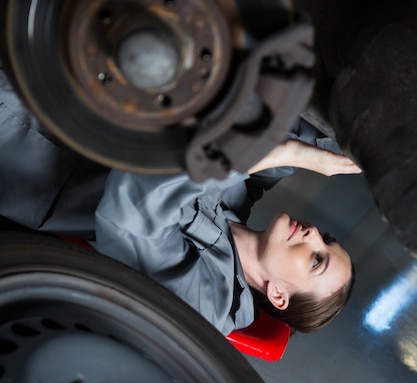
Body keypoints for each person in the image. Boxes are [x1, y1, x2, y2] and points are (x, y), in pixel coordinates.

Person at [0, 66, 361, 335]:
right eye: (326, 238)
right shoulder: (238, 206)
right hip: (62, 77)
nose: (314, 234)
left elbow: (135, 210)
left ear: (279, 295)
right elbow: (295, 131)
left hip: (25, 141)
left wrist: (289, 154)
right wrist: (359, 147)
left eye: (317, 260)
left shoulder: (208, 307)